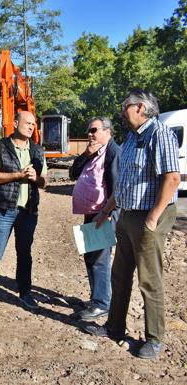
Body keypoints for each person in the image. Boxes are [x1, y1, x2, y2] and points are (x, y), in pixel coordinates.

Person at [83, 89, 181, 359]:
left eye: (125, 106)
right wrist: (106, 211)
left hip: (150, 215)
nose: (122, 111)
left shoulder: (159, 134)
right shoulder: (130, 137)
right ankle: (114, 327)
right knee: (120, 274)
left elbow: (172, 179)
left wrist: (153, 216)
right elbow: (124, 184)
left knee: (149, 279)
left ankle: (154, 339)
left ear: (140, 107)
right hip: (127, 214)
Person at [0, 110, 48, 312]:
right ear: (15, 123)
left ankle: (25, 294)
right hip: (4, 210)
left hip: (28, 212)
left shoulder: (37, 151)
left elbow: (45, 182)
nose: (31, 127)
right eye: (27, 123)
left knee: (25, 254)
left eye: (33, 124)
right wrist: (19, 175)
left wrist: (36, 178)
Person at [69, 117, 121, 320]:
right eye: (88, 130)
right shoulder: (93, 152)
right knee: (90, 256)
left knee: (100, 258)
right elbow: (73, 173)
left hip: (104, 213)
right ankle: (96, 298)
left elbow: (117, 188)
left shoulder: (113, 152)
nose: (89, 134)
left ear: (107, 131)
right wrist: (85, 155)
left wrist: (107, 214)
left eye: (94, 130)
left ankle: (102, 304)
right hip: (91, 212)